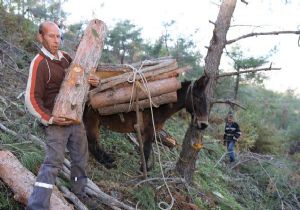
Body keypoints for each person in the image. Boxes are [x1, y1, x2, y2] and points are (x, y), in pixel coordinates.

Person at [25, 21, 99, 210]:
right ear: (40, 37)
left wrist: (93, 80)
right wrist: (49, 119)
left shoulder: (65, 57)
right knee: (52, 164)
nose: (56, 40)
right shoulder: (39, 63)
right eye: (51, 36)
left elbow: (81, 77)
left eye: (59, 36)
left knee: (80, 159)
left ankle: (79, 192)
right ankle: (36, 206)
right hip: (55, 122)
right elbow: (31, 99)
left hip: (75, 119)